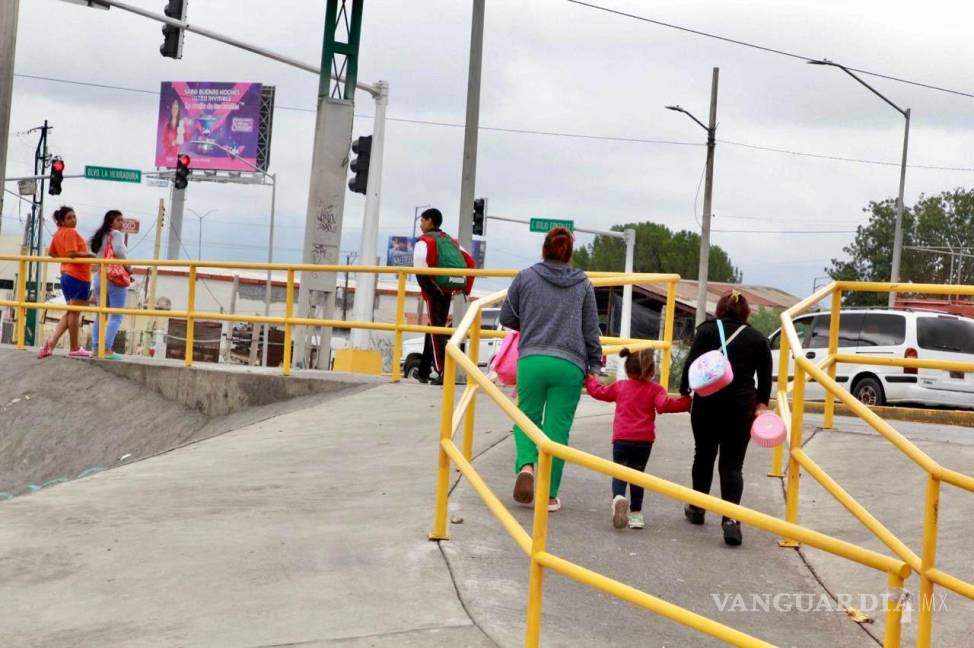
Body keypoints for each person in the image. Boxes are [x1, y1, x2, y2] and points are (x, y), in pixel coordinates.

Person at [500, 227, 602, 512]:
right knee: (557, 431)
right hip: (569, 364)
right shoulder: (583, 284)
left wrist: (533, 322)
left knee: (526, 419)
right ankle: (548, 495)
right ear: (569, 253)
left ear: (544, 248)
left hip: (532, 360)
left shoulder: (526, 277)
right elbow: (590, 329)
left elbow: (508, 315)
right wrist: (594, 365)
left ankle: (527, 467)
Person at [679, 290, 772, 546]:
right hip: (741, 407)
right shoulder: (757, 339)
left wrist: (684, 392)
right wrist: (761, 404)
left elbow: (690, 367)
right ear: (745, 312)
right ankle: (730, 520)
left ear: (720, 309)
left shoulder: (706, 331)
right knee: (733, 465)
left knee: (704, 455)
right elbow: (765, 380)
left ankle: (698, 508)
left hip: (708, 404)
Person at [585, 348, 691, 530]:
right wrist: (687, 402)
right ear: (651, 371)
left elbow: (599, 392)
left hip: (621, 438)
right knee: (638, 476)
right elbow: (664, 405)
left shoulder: (621, 386)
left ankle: (618, 499)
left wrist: (589, 380)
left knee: (620, 473)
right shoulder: (656, 389)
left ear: (627, 368)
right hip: (644, 441)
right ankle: (636, 514)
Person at [412, 208, 475, 385]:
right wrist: (464, 288)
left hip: (434, 290)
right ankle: (424, 370)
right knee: (434, 327)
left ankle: (444, 371)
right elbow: (470, 262)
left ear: (430, 221)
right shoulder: (451, 241)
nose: (420, 224)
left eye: (422, 220)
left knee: (437, 330)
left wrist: (430, 290)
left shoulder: (424, 241)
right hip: (448, 288)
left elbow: (419, 267)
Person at [38, 206, 96, 359]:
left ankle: (51, 342)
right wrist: (89, 255)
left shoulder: (58, 233)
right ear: (62, 220)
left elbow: (52, 253)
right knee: (75, 312)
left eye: (74, 216)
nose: (73, 220)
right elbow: (71, 253)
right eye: (69, 217)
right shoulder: (70, 232)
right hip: (78, 276)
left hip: (65, 275)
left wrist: (65, 259)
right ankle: (75, 347)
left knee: (71, 311)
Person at [88, 210, 130, 360]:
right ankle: (106, 349)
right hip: (114, 278)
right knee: (116, 316)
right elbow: (119, 251)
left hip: (99, 276)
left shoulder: (100, 236)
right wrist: (129, 269)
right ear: (111, 221)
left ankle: (95, 348)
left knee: (101, 314)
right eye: (118, 220)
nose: (121, 223)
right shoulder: (116, 234)